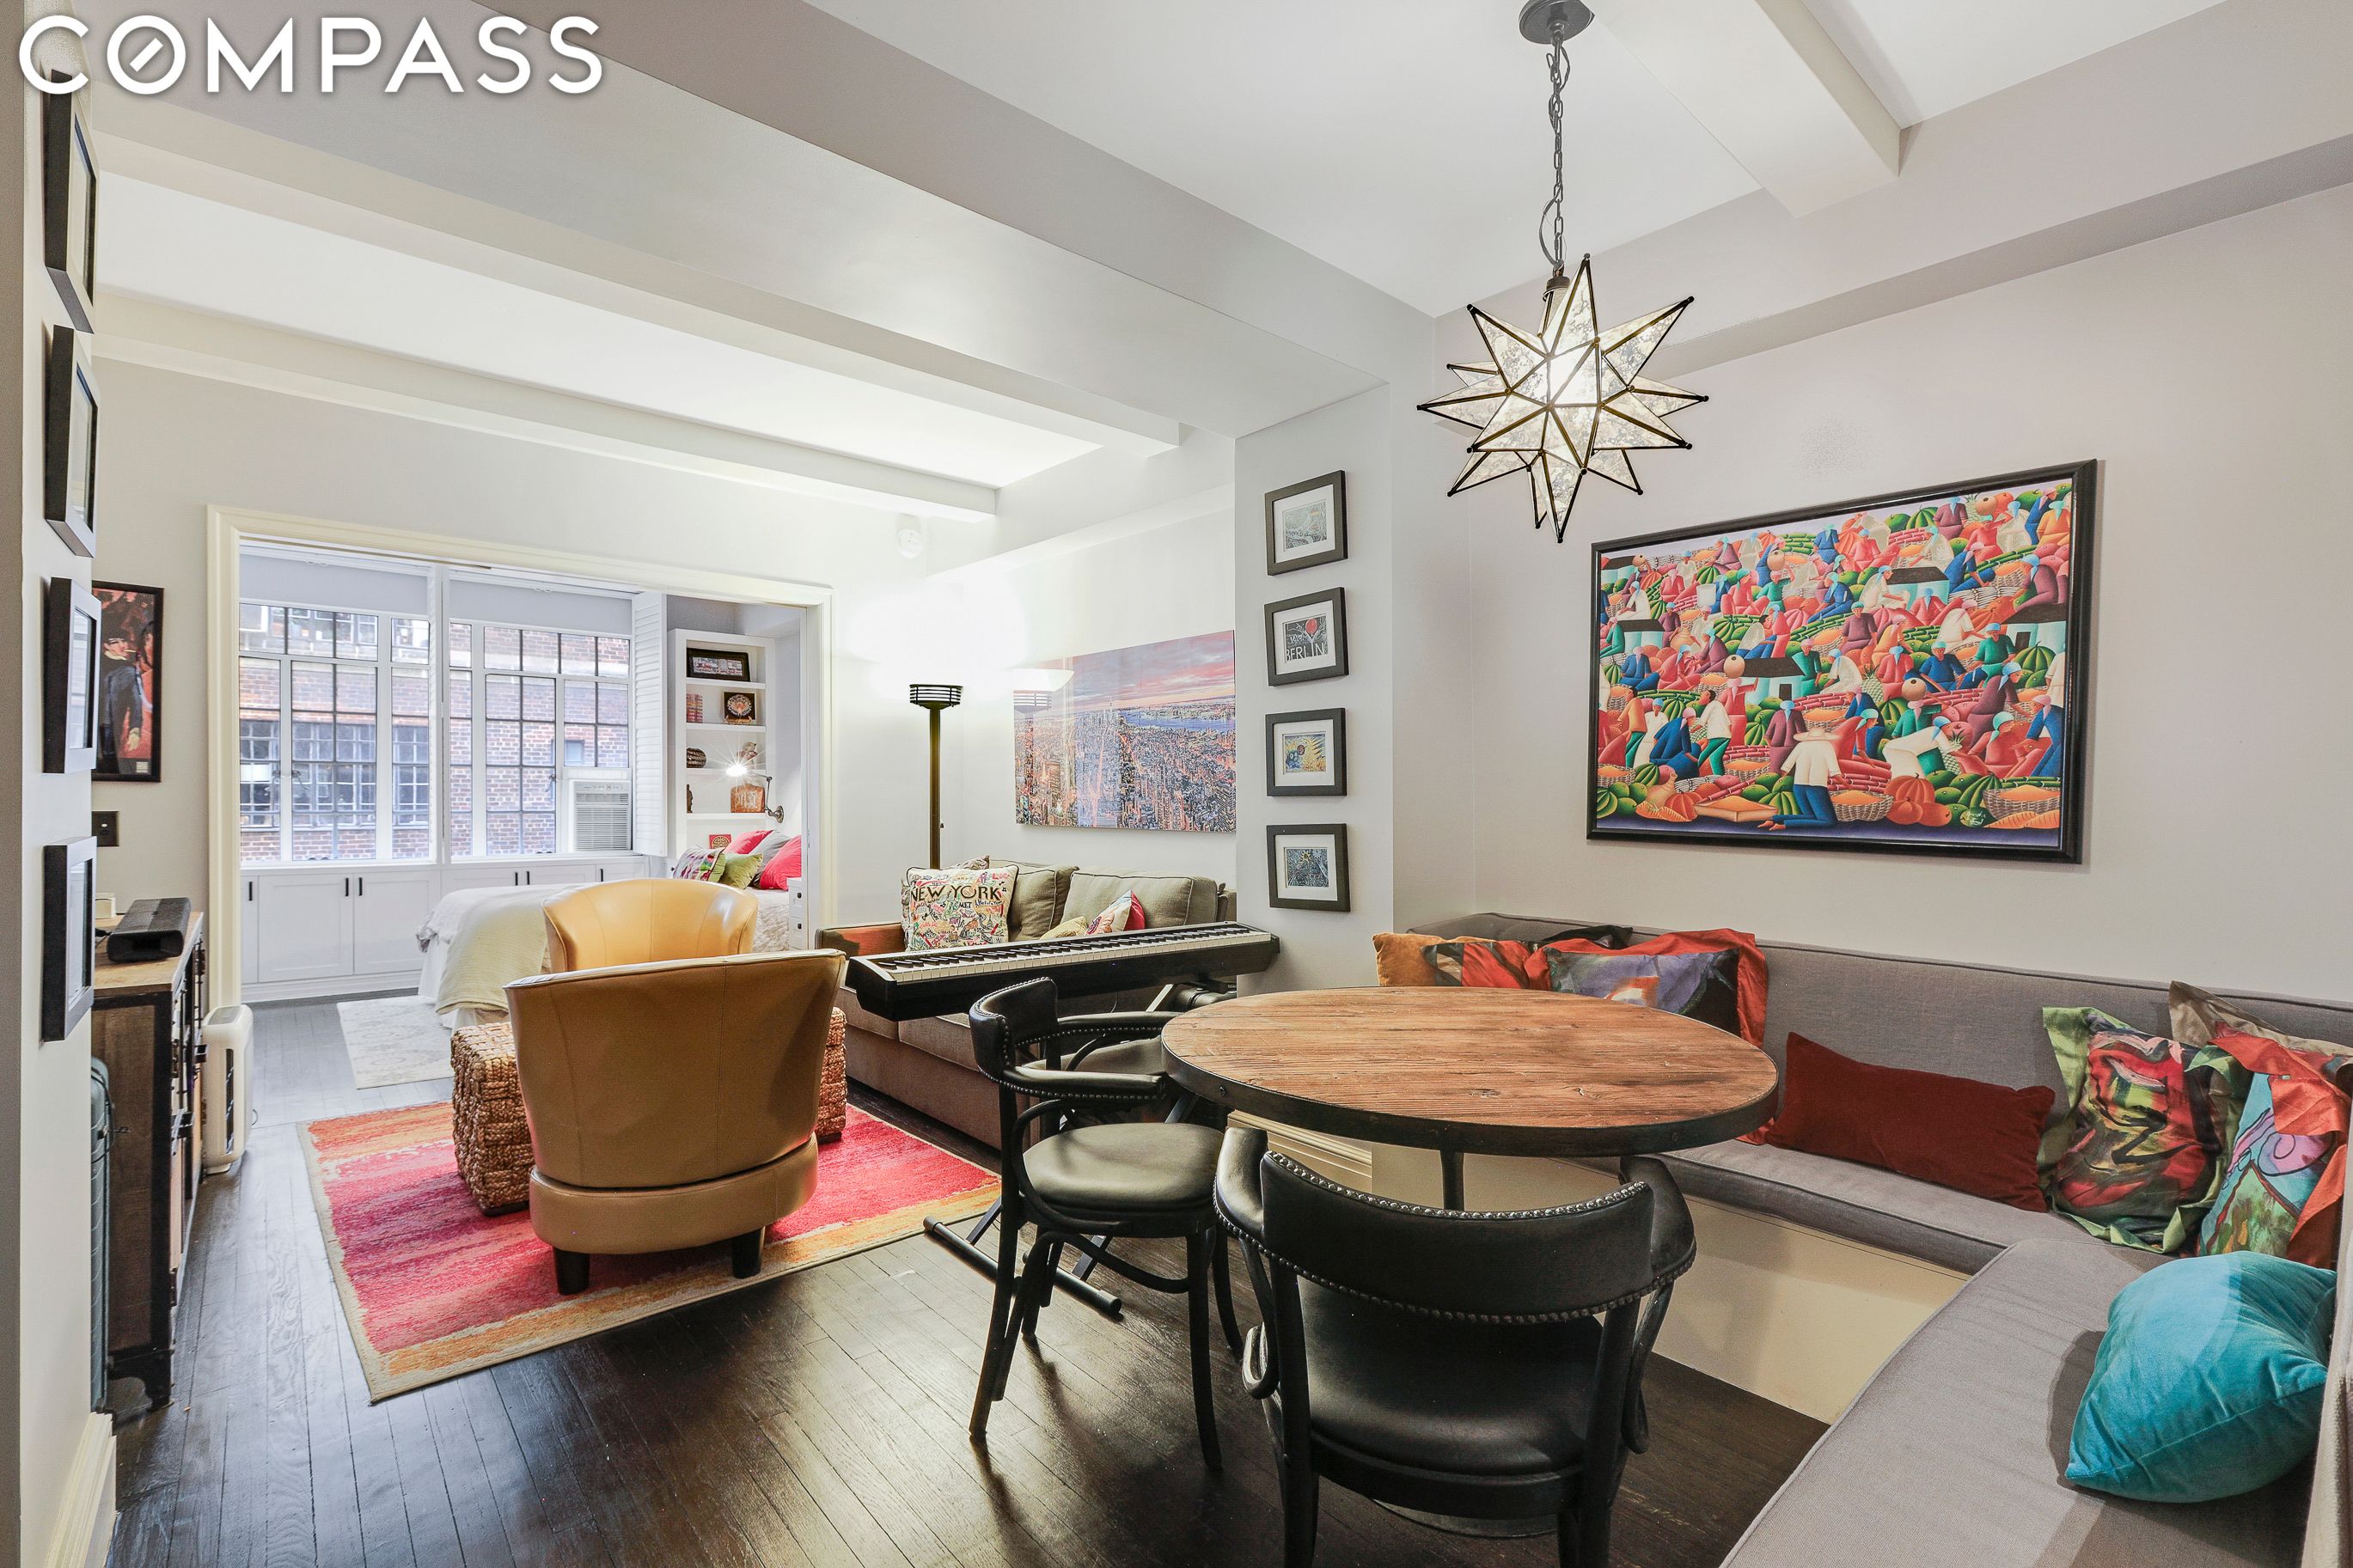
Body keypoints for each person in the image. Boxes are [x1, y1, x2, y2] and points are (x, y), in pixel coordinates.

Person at [1766, 717, 1842, 830]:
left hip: (1798, 786)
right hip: (1816, 787)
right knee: (1829, 821)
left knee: (1810, 816)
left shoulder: (1801, 745)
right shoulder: (1827, 746)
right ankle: (1784, 825)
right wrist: (1846, 784)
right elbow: (1834, 770)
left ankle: (1774, 820)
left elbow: (1786, 767)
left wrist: (1781, 779)